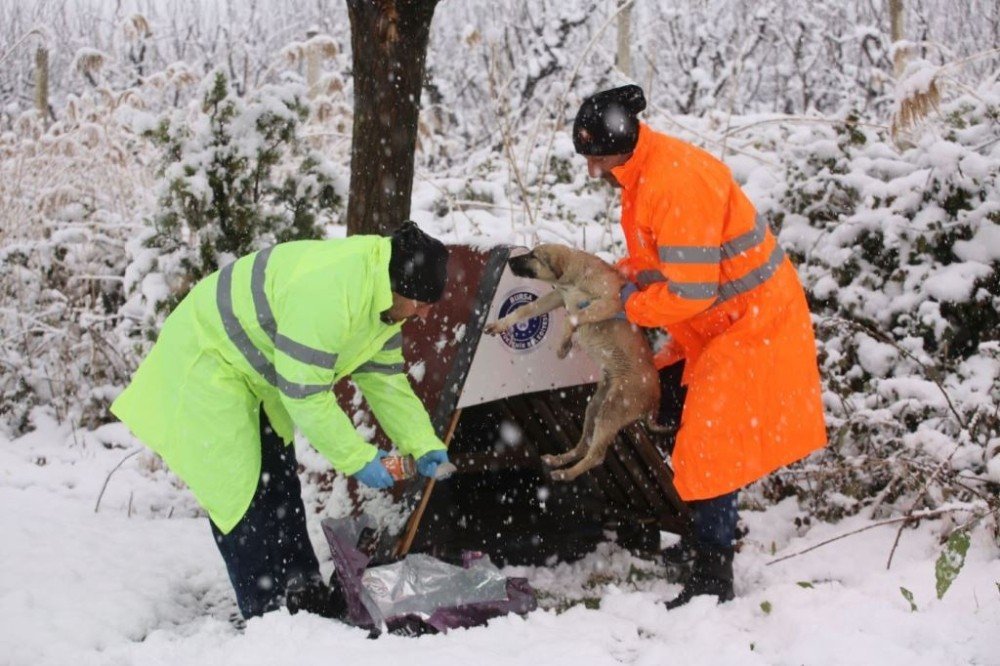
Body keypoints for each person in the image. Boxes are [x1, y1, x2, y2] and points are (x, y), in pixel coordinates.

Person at [111, 221, 453, 620]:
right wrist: (358, 458)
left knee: (279, 485)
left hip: (255, 375)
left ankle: (304, 599)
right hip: (208, 362)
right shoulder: (331, 292)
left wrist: (422, 443)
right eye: (421, 303)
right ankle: (269, 616)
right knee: (241, 494)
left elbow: (385, 381)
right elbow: (307, 395)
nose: (425, 315)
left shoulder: (382, 304)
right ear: (399, 286)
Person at [572, 85, 827, 608]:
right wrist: (620, 278)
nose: (593, 169)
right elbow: (662, 261)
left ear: (623, 144)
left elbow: (689, 290)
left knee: (710, 445)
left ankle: (713, 571)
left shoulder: (674, 180)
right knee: (662, 404)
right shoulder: (641, 173)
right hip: (714, 327)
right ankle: (702, 536)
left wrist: (625, 304)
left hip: (752, 328)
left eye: (598, 158)